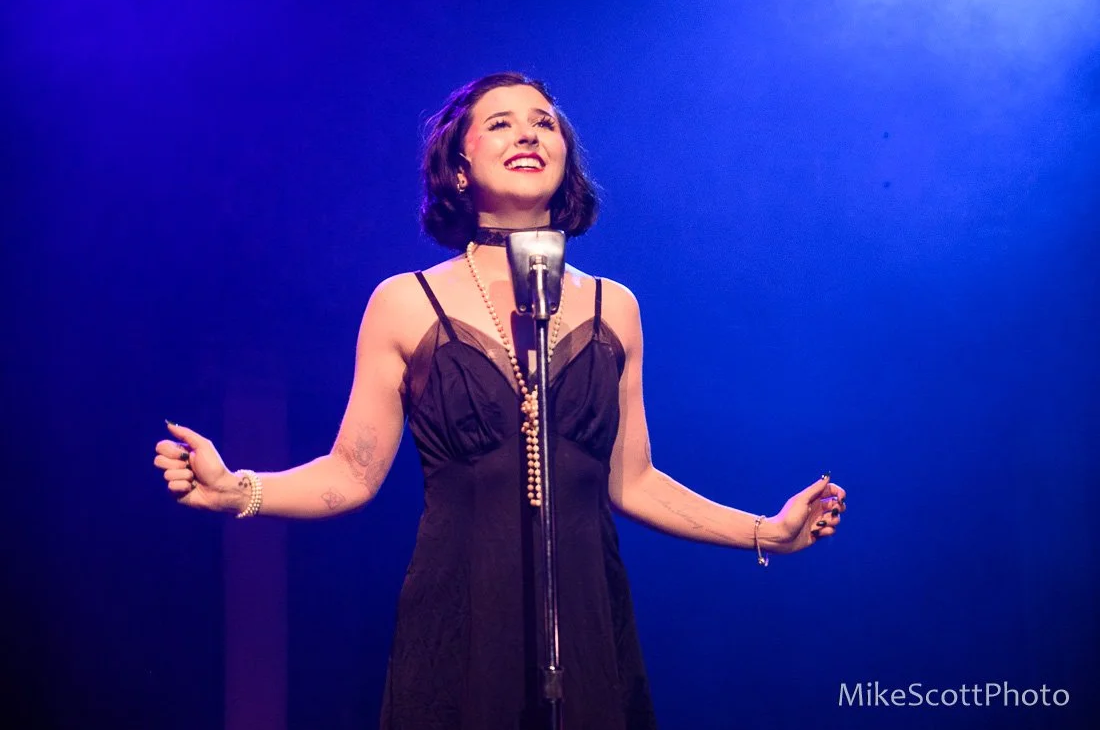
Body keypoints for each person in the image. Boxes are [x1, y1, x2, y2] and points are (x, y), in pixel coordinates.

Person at [154, 72, 848, 729]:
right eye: (501, 123)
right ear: (459, 166)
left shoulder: (617, 307)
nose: (528, 134)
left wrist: (765, 529)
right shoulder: (404, 302)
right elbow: (351, 472)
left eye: (544, 122)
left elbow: (633, 482)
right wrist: (238, 489)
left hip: (583, 619)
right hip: (459, 617)